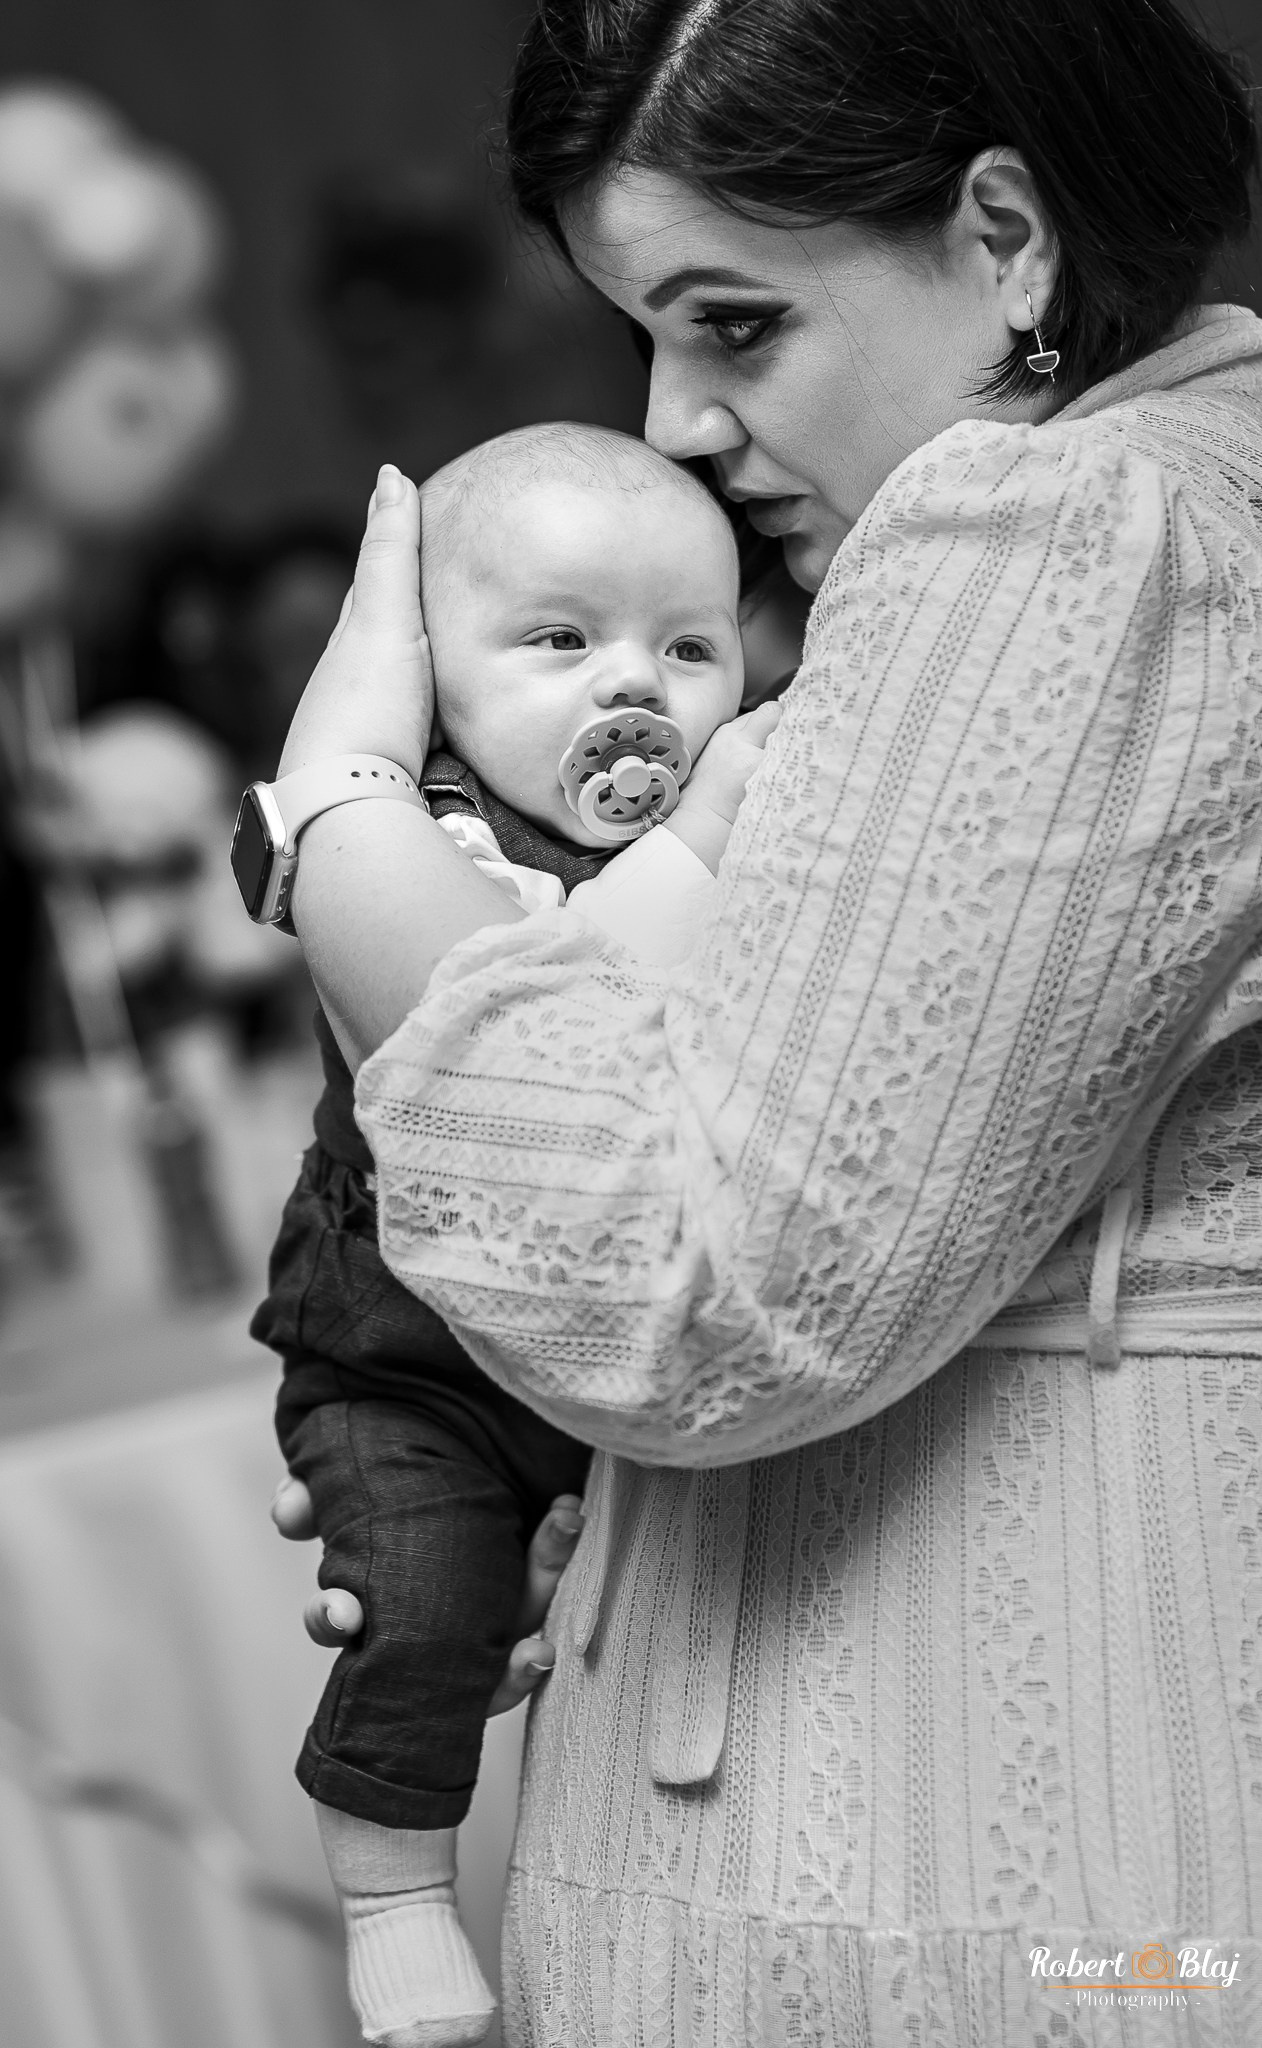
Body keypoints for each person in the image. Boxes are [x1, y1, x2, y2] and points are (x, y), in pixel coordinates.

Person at [267, 0, 1262, 2039]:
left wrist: (350, 824)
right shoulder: (1186, 475)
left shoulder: (1065, 528)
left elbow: (705, 1297)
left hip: (965, 1843)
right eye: (646, 333)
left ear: (1005, 237)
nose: (676, 422)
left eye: (730, 325)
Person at [254, 421, 776, 2046]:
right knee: (418, 1597)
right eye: (558, 641)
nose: (634, 689)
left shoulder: (752, 829)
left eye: (687, 646)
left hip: (615, 1361)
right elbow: (506, 1013)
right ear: (429, 687)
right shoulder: (428, 833)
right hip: (406, 1372)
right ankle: (396, 1895)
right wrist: (694, 846)